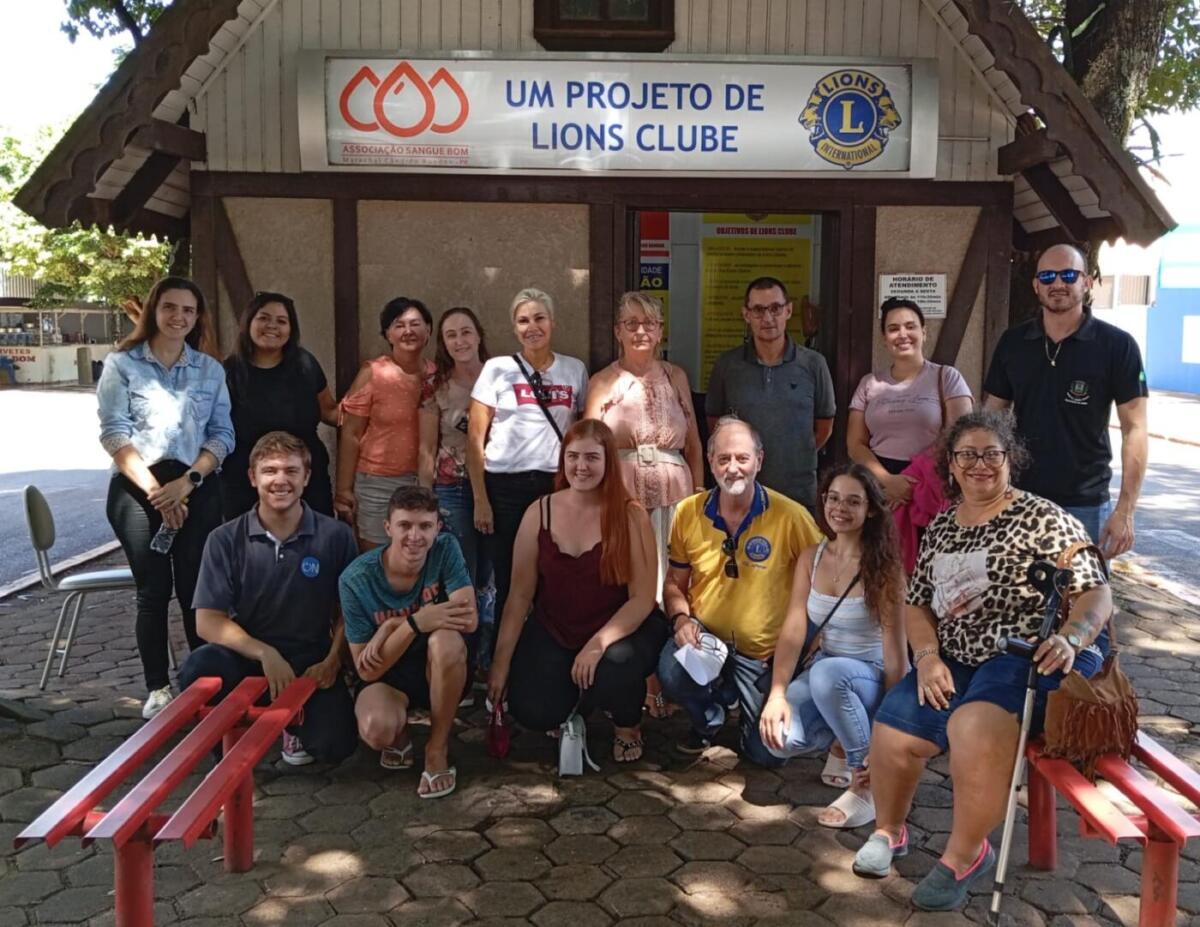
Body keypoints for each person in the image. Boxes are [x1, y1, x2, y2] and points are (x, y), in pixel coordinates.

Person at [852, 409, 1111, 912]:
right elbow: (917, 603)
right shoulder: (943, 525)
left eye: (991, 453)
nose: (979, 464)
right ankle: (889, 831)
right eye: (966, 455)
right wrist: (927, 657)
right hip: (955, 654)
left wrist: (1073, 638)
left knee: (971, 727)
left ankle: (965, 855)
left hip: (1028, 656)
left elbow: (1096, 592)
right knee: (894, 728)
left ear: (1010, 459)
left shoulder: (1043, 517)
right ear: (950, 465)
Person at [486, 420, 666, 763]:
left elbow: (643, 599)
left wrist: (598, 644)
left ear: (608, 461)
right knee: (532, 711)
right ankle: (576, 704)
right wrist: (500, 664)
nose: (581, 466)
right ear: (563, 460)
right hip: (557, 626)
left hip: (620, 629)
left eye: (592, 458)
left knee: (616, 666)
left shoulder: (631, 515)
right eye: (573, 457)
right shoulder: (539, 511)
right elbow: (519, 596)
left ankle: (627, 724)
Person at [97, 276, 234, 719]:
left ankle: (202, 681)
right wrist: (160, 494)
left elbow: (223, 435)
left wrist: (187, 483)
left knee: (196, 588)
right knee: (154, 590)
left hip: (195, 485)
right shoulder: (121, 364)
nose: (179, 317)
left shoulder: (210, 370)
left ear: (198, 317)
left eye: (188, 310)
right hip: (139, 490)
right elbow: (114, 434)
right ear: (154, 310)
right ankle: (157, 687)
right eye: (170, 307)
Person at [182, 431, 357, 765]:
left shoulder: (336, 536)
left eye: (291, 471)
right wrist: (265, 653)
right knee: (201, 666)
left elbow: (351, 611)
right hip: (247, 654)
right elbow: (207, 622)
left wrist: (333, 661)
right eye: (270, 471)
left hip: (309, 658)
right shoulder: (224, 539)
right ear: (252, 477)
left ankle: (293, 725)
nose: (280, 480)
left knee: (335, 745)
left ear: (307, 477)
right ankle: (228, 745)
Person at [656, 416, 823, 765]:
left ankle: (744, 708)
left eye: (742, 458)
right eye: (723, 459)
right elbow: (673, 583)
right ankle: (709, 717)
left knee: (768, 755)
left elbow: (825, 584)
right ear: (710, 462)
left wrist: (804, 648)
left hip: (764, 654)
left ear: (759, 461)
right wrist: (680, 620)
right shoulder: (687, 512)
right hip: (706, 641)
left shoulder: (792, 517)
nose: (733, 468)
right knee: (672, 669)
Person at [759, 464, 908, 828]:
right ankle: (841, 740)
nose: (840, 508)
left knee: (828, 674)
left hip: (871, 673)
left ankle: (866, 783)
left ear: (870, 509)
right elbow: (794, 629)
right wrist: (777, 694)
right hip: (826, 671)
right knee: (779, 739)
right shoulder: (812, 556)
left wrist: (889, 726)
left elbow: (896, 652)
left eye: (853, 501)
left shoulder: (884, 567)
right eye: (834, 498)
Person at [983, 243, 1148, 556]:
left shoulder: (1118, 346)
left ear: (1086, 282)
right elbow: (991, 418)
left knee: (1085, 588)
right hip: (1019, 498)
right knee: (1016, 586)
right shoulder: (1013, 342)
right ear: (1036, 285)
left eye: (1068, 275)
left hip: (1085, 504)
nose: (1057, 283)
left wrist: (1125, 511)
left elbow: (1135, 429)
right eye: (1047, 276)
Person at [468, 288, 588, 654]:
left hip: (555, 486)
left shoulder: (574, 369)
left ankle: (548, 656)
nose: (532, 327)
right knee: (508, 576)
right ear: (514, 328)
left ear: (553, 322)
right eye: (523, 320)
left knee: (555, 574)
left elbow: (581, 431)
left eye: (539, 318)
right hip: (505, 486)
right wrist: (481, 499)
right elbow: (475, 439)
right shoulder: (497, 369)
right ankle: (502, 662)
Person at [338, 485, 476, 798]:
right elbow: (367, 670)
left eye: (425, 526)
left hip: (436, 666)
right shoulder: (355, 579)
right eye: (405, 525)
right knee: (377, 729)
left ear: (438, 528)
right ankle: (400, 736)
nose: (415, 536)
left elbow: (468, 618)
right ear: (388, 527)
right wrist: (415, 623)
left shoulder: (445, 548)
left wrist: (393, 624)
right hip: (386, 674)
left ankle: (437, 748)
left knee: (447, 641)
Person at [584, 291, 704, 597]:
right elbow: (588, 446)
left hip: (675, 492)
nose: (641, 331)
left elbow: (693, 444)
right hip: (621, 492)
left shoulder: (676, 377)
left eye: (649, 323)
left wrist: (699, 497)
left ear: (660, 331)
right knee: (626, 574)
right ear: (618, 331)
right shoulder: (601, 381)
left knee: (672, 572)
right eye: (632, 323)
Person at [706, 276, 835, 510]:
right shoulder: (727, 365)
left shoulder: (813, 364)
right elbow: (715, 425)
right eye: (758, 310)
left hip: (798, 491)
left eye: (775, 308)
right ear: (746, 314)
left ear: (789, 310)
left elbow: (824, 427)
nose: (767, 318)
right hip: (742, 488)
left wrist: (793, 453)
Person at [221, 292, 338, 520]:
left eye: (282, 321)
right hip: (245, 481)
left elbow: (330, 411)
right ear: (248, 322)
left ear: (291, 329)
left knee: (314, 538)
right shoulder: (229, 372)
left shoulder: (305, 364)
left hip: (305, 478)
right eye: (264, 318)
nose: (272, 326)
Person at [848, 297, 973, 504]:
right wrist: (888, 481)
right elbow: (855, 444)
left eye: (910, 326)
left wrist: (916, 479)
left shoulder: (947, 377)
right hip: (878, 487)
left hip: (930, 484)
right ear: (884, 338)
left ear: (924, 332)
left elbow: (962, 438)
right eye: (893, 329)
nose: (902, 334)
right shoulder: (869, 383)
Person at [335, 297, 436, 549]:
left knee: (416, 556)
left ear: (428, 330)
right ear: (388, 334)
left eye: (415, 324)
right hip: (377, 483)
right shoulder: (373, 372)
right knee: (376, 557)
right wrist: (344, 489)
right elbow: (351, 433)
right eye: (399, 325)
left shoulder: (437, 375)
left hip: (427, 482)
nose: (408, 331)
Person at [419, 307, 491, 588]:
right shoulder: (435, 386)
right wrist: (425, 502)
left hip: (498, 484)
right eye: (451, 335)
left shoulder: (501, 377)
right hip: (453, 487)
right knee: (461, 572)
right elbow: (427, 448)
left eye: (466, 332)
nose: (460, 341)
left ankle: (489, 618)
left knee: (493, 572)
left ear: (479, 336)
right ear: (443, 344)